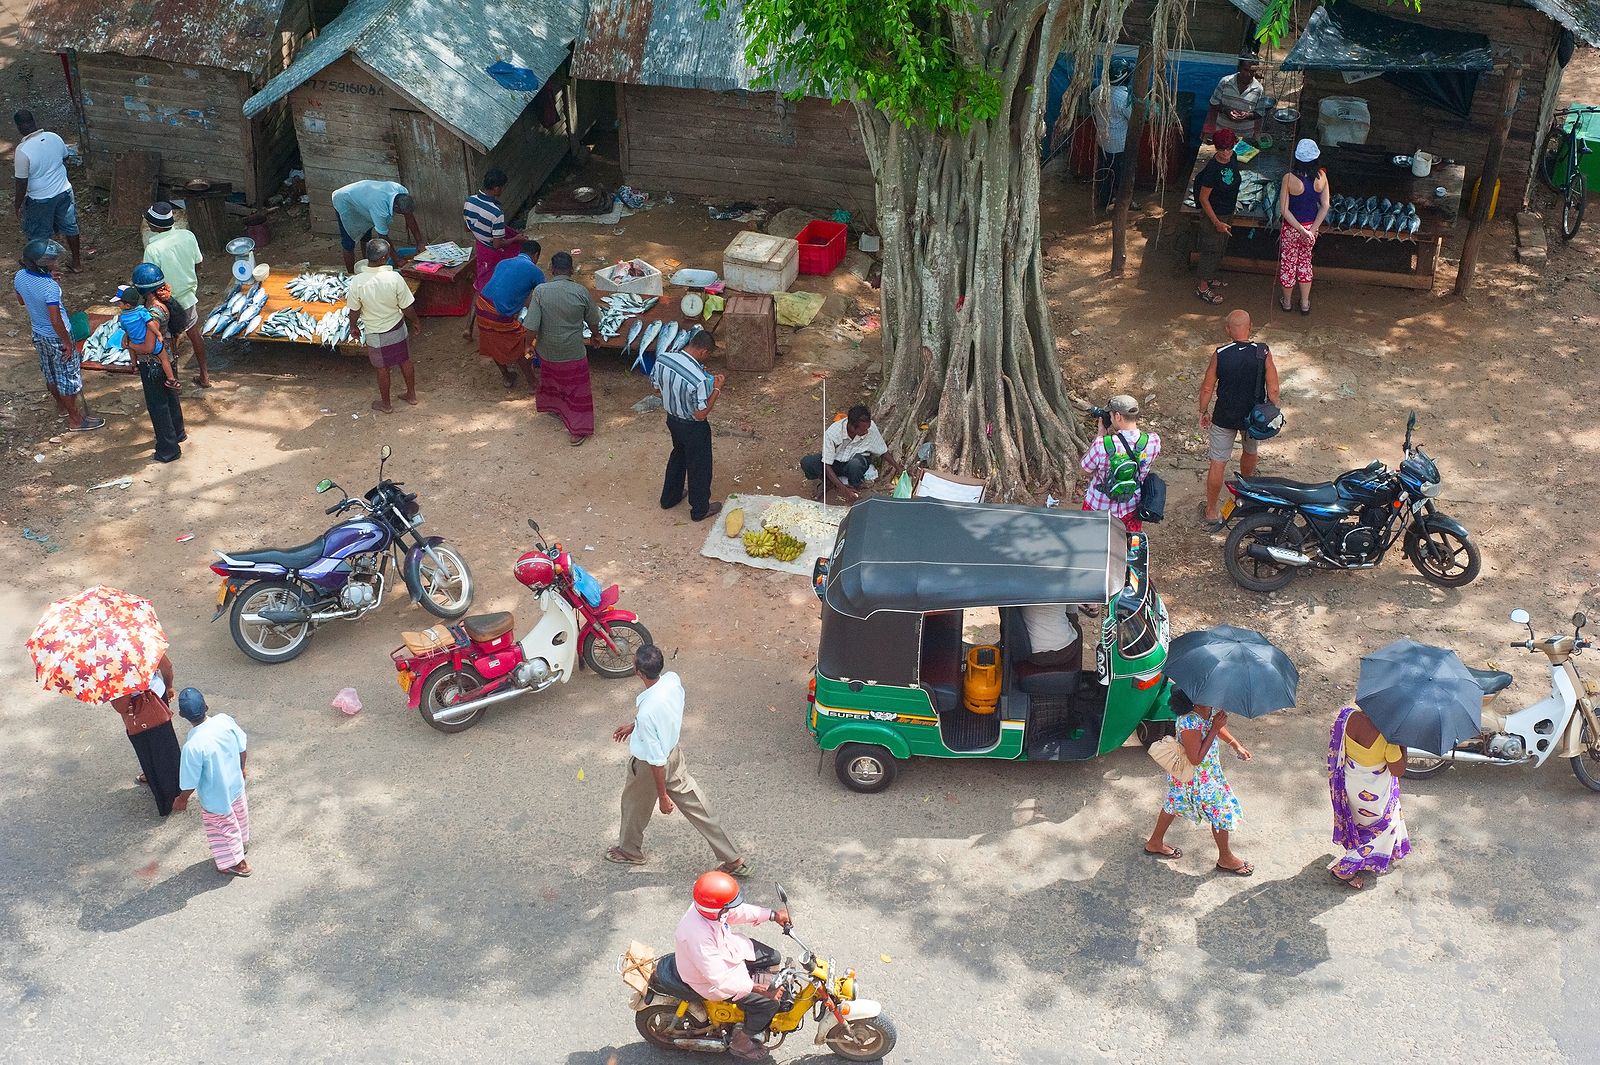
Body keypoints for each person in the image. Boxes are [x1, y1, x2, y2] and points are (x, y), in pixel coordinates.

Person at [605, 644, 749, 877]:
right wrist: (634, 726)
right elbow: (661, 717)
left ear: (639, 673)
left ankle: (630, 851)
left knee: (633, 806)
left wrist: (662, 797)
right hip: (674, 754)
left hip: (651, 766)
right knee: (697, 804)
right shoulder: (672, 680)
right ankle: (732, 857)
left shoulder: (647, 712)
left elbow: (655, 761)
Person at [674, 871, 789, 1062]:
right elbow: (719, 978)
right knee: (769, 1004)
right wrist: (760, 989)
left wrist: (772, 915)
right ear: (717, 910)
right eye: (727, 906)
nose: (730, 909)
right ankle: (741, 1042)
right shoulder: (697, 937)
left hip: (727, 950)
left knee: (773, 956)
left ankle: (751, 1010)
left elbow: (735, 911)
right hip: (710, 979)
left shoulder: (710, 909)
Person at [1144, 690, 1253, 875]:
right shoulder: (1188, 721)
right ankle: (1225, 858)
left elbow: (1214, 726)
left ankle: (1154, 842)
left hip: (1206, 773)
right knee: (1221, 811)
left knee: (1173, 803)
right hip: (1196, 778)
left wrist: (1235, 744)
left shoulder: (1206, 709)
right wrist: (1214, 729)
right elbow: (1195, 759)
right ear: (1195, 698)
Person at [1198, 310, 1278, 530]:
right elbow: (1273, 388)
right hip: (1253, 416)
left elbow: (1207, 387)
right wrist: (1272, 410)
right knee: (1250, 452)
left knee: (1218, 461)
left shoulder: (1220, 353)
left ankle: (1211, 511)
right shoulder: (1262, 351)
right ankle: (1243, 497)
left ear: (1227, 330)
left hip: (1224, 415)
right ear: (1250, 326)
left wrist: (1203, 410)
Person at [15, 239, 101, 431]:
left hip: (38, 333)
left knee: (51, 373)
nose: (54, 263)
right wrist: (67, 343)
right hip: (57, 336)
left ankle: (61, 407)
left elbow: (21, 300)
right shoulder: (50, 287)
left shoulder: (20, 276)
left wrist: (42, 285)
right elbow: (56, 319)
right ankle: (76, 420)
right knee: (68, 378)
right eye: (51, 260)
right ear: (42, 265)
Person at [172, 688, 252, 878]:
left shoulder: (193, 746)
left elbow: (190, 781)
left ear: (182, 715)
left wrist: (182, 799)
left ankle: (237, 863)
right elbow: (241, 747)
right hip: (235, 783)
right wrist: (242, 768)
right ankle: (242, 844)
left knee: (223, 828)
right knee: (239, 815)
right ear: (206, 706)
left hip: (215, 796)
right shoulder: (224, 721)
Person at [1327, 705, 1409, 890]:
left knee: (1359, 823)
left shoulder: (1346, 717)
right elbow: (1398, 770)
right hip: (1373, 794)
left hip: (1350, 785)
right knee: (1383, 827)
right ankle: (1344, 869)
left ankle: (1385, 851)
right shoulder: (1389, 738)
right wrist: (1402, 742)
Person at [524, 251, 600, 446]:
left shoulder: (540, 291)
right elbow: (593, 320)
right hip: (573, 351)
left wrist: (528, 345)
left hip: (548, 351)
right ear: (572, 270)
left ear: (551, 269)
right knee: (577, 389)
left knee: (552, 380)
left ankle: (555, 407)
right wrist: (596, 336)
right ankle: (578, 430)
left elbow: (531, 325)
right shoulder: (581, 291)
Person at [653, 330, 726, 523]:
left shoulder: (663, 359)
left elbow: (656, 388)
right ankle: (700, 509)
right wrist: (716, 389)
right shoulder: (698, 379)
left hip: (672, 419)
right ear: (703, 352)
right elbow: (700, 414)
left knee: (679, 454)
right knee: (699, 465)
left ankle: (669, 497)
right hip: (693, 427)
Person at [345, 238, 423, 413]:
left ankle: (386, 404)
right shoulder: (394, 278)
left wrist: (353, 326)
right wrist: (416, 321)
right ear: (384, 258)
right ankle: (411, 395)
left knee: (382, 368)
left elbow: (354, 310)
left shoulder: (358, 281)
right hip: (397, 327)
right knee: (405, 360)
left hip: (375, 333)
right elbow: (406, 306)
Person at [140, 202, 210, 386]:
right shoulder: (187, 235)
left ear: (153, 225)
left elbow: (149, 280)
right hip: (188, 295)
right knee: (194, 333)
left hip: (166, 300)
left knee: (168, 340)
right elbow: (199, 264)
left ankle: (174, 380)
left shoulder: (152, 249)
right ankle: (204, 375)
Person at [117, 283, 184, 463]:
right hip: (167, 358)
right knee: (170, 398)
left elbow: (147, 347)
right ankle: (178, 433)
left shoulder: (151, 313)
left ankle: (168, 449)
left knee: (158, 405)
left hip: (152, 364)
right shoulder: (159, 307)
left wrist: (129, 345)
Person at [108, 652, 181, 816]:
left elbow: (121, 706)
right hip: (158, 696)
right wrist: (169, 686)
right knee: (167, 742)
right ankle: (179, 786)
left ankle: (164, 797)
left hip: (138, 711)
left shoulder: (110, 664)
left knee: (148, 751)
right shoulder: (143, 643)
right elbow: (167, 666)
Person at [13, 109, 86, 271]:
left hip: (40, 199)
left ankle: (40, 268)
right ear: (33, 122)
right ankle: (76, 263)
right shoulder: (54, 137)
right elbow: (65, 158)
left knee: (38, 234)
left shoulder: (22, 151)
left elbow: (21, 182)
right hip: (64, 191)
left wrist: (18, 204)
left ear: (19, 127)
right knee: (70, 226)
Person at [1080, 394, 1160, 532]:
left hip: (1098, 508)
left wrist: (1100, 435)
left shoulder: (1101, 445)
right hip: (1131, 508)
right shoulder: (1153, 441)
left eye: (1111, 415)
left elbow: (1084, 470)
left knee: (1092, 540)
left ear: (1118, 416)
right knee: (1127, 541)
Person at [474, 240, 543, 390]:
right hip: (498, 314)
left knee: (492, 343)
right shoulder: (535, 271)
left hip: (481, 305)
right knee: (523, 345)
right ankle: (533, 383)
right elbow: (543, 297)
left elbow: (506, 288)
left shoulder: (503, 263)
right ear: (536, 255)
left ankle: (507, 376)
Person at [463, 168, 523, 340]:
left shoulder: (469, 201)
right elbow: (498, 244)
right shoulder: (496, 213)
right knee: (495, 283)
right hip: (492, 252)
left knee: (480, 284)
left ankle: (468, 327)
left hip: (481, 247)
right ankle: (500, 320)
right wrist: (515, 239)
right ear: (496, 188)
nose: (503, 190)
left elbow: (467, 228)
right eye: (502, 187)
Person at [799, 405, 899, 503]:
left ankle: (854, 488)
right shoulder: (833, 433)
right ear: (852, 427)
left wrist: (899, 468)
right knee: (807, 462)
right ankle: (828, 482)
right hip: (835, 462)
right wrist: (843, 489)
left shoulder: (869, 427)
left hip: (855, 464)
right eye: (864, 429)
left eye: (868, 427)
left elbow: (882, 450)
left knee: (856, 463)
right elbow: (827, 464)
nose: (867, 431)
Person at [1278, 138, 1330, 314]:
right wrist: (1311, 231)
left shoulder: (1289, 178)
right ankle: (1305, 303)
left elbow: (1284, 210)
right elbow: (1325, 206)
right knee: (1305, 262)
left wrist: (1300, 230)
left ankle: (1287, 302)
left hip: (1291, 228)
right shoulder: (1322, 177)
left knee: (1288, 263)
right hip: (1311, 228)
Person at [330, 179, 422, 273]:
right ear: (396, 207)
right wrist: (398, 260)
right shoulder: (380, 210)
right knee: (349, 242)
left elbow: (409, 217)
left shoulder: (402, 191)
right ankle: (350, 275)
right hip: (346, 202)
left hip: (364, 201)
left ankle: (367, 266)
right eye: (401, 213)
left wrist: (419, 242)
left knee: (366, 237)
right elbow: (383, 237)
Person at [1193, 129, 1240, 305]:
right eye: (1221, 149)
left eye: (1229, 148)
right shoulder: (1212, 170)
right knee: (1210, 250)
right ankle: (1202, 288)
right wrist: (1216, 222)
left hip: (1227, 211)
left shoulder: (1233, 158)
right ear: (1216, 148)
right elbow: (1203, 199)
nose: (1226, 153)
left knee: (1220, 248)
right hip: (1215, 215)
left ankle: (1210, 277)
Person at [1091, 57, 1134, 212]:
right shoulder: (1124, 97)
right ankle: (1122, 202)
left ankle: (1104, 200)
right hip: (1119, 144)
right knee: (1121, 174)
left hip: (1102, 140)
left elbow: (1092, 103)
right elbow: (1132, 118)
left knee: (1104, 171)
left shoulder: (1098, 90)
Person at [1203, 56, 1265, 142]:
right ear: (1239, 68)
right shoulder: (1225, 82)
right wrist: (1225, 111)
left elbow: (1259, 113)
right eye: (1245, 70)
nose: (1248, 74)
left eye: (1252, 71)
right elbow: (1213, 104)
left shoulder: (1258, 89)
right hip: (1222, 134)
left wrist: (1247, 115)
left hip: (1244, 137)